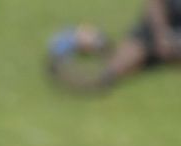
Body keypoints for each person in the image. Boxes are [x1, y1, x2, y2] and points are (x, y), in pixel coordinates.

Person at [49, 3, 181, 90]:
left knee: (108, 72)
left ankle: (92, 42)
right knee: (107, 75)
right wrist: (161, 35)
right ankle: (78, 48)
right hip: (157, 29)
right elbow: (155, 3)